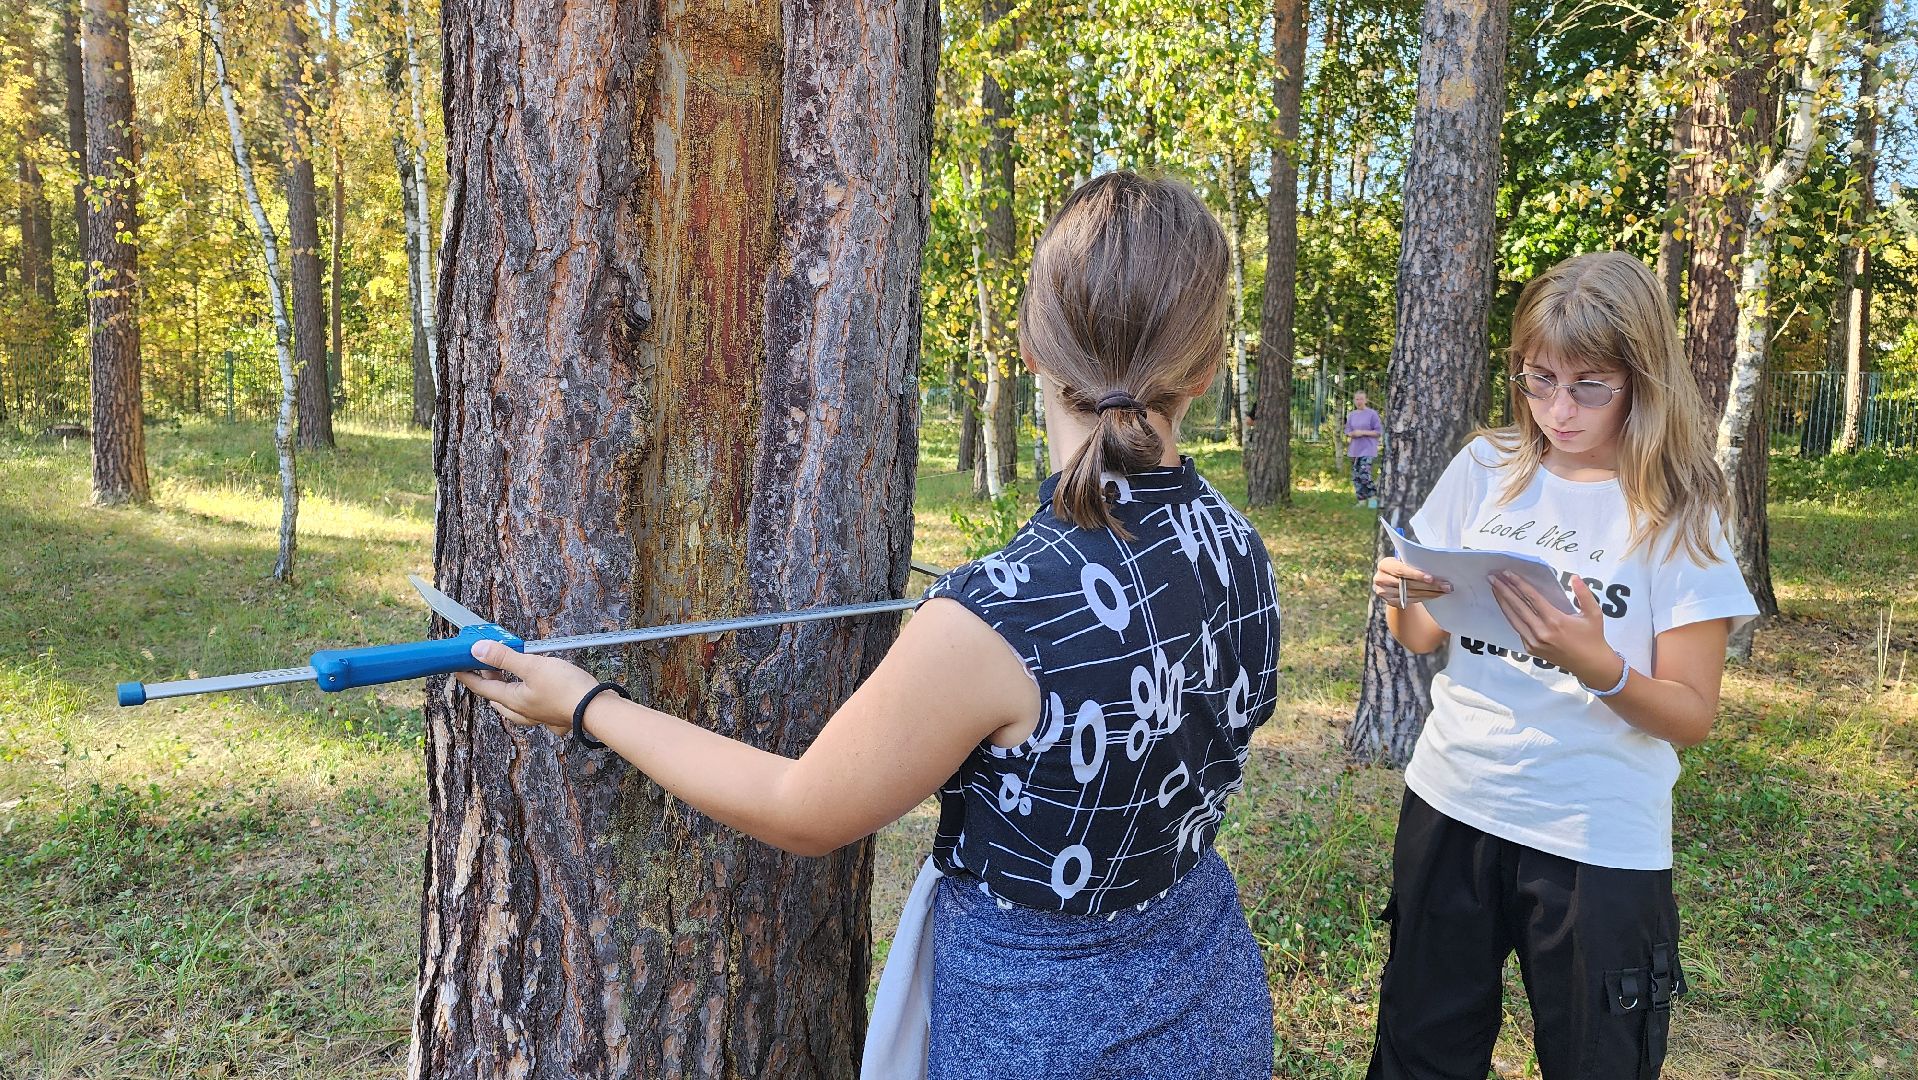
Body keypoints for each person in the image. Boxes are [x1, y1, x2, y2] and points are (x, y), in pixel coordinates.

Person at [455, 172, 1283, 1080]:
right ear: (1204, 369)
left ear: (1031, 348)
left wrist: (587, 705)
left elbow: (803, 810)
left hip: (1046, 1040)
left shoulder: (994, 616)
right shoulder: (1238, 549)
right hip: (1212, 998)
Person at [1364, 251, 1757, 1079]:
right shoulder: (1485, 469)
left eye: (1590, 386)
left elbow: (1693, 712)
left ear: (1643, 379)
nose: (1557, 410)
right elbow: (1423, 638)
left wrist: (1599, 666)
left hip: (1593, 838)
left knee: (1597, 1058)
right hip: (1453, 800)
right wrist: (1403, 592)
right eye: (1538, 380)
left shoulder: (1677, 509)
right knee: (1419, 1044)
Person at [1345, 391, 1382, 507]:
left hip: (1368, 449)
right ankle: (1361, 500)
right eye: (1356, 399)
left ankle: (1373, 499)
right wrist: (1353, 434)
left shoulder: (1372, 414)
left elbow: (1378, 432)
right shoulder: (1352, 415)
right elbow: (1347, 430)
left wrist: (1362, 432)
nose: (1359, 401)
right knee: (1356, 476)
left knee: (1365, 474)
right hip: (1355, 449)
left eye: (1361, 399)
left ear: (1366, 400)